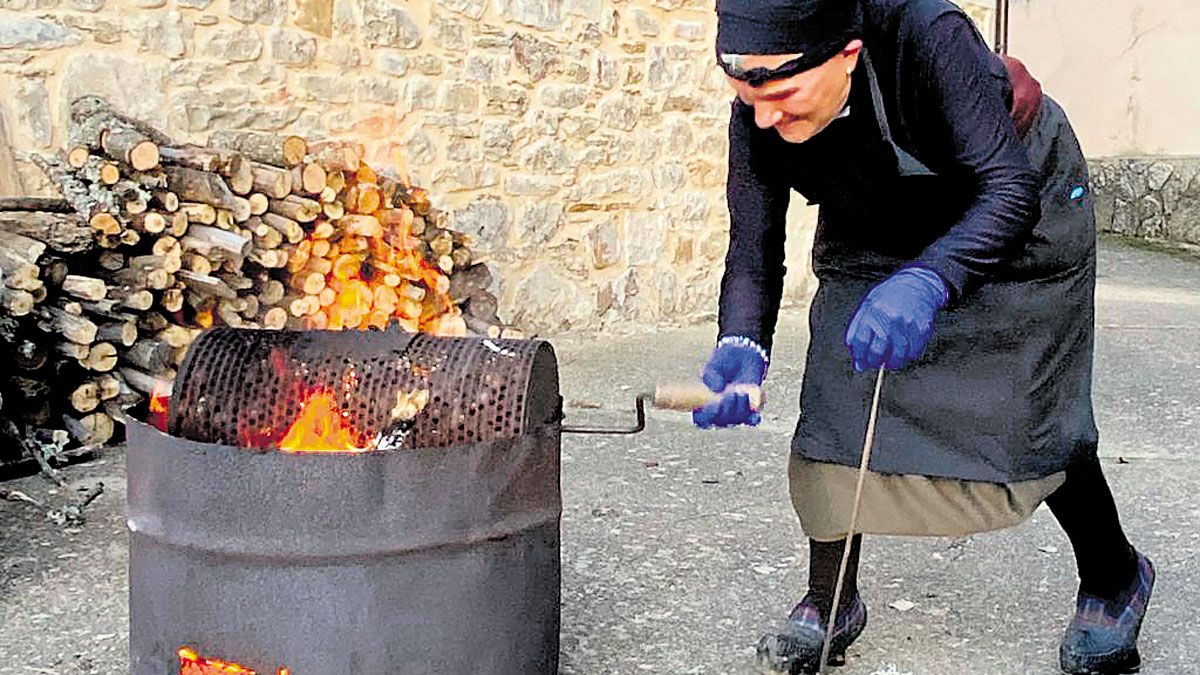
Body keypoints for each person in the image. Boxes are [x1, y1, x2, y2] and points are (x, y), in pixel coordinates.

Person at [691, 1, 1154, 673]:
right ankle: (831, 599)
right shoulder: (762, 108)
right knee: (834, 405)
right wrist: (742, 347)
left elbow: (1007, 189)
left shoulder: (925, 32)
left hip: (1016, 205)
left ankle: (1115, 577)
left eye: (784, 96)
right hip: (875, 220)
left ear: (845, 54)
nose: (765, 118)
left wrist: (932, 280)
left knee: (1032, 414)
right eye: (747, 98)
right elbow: (753, 250)